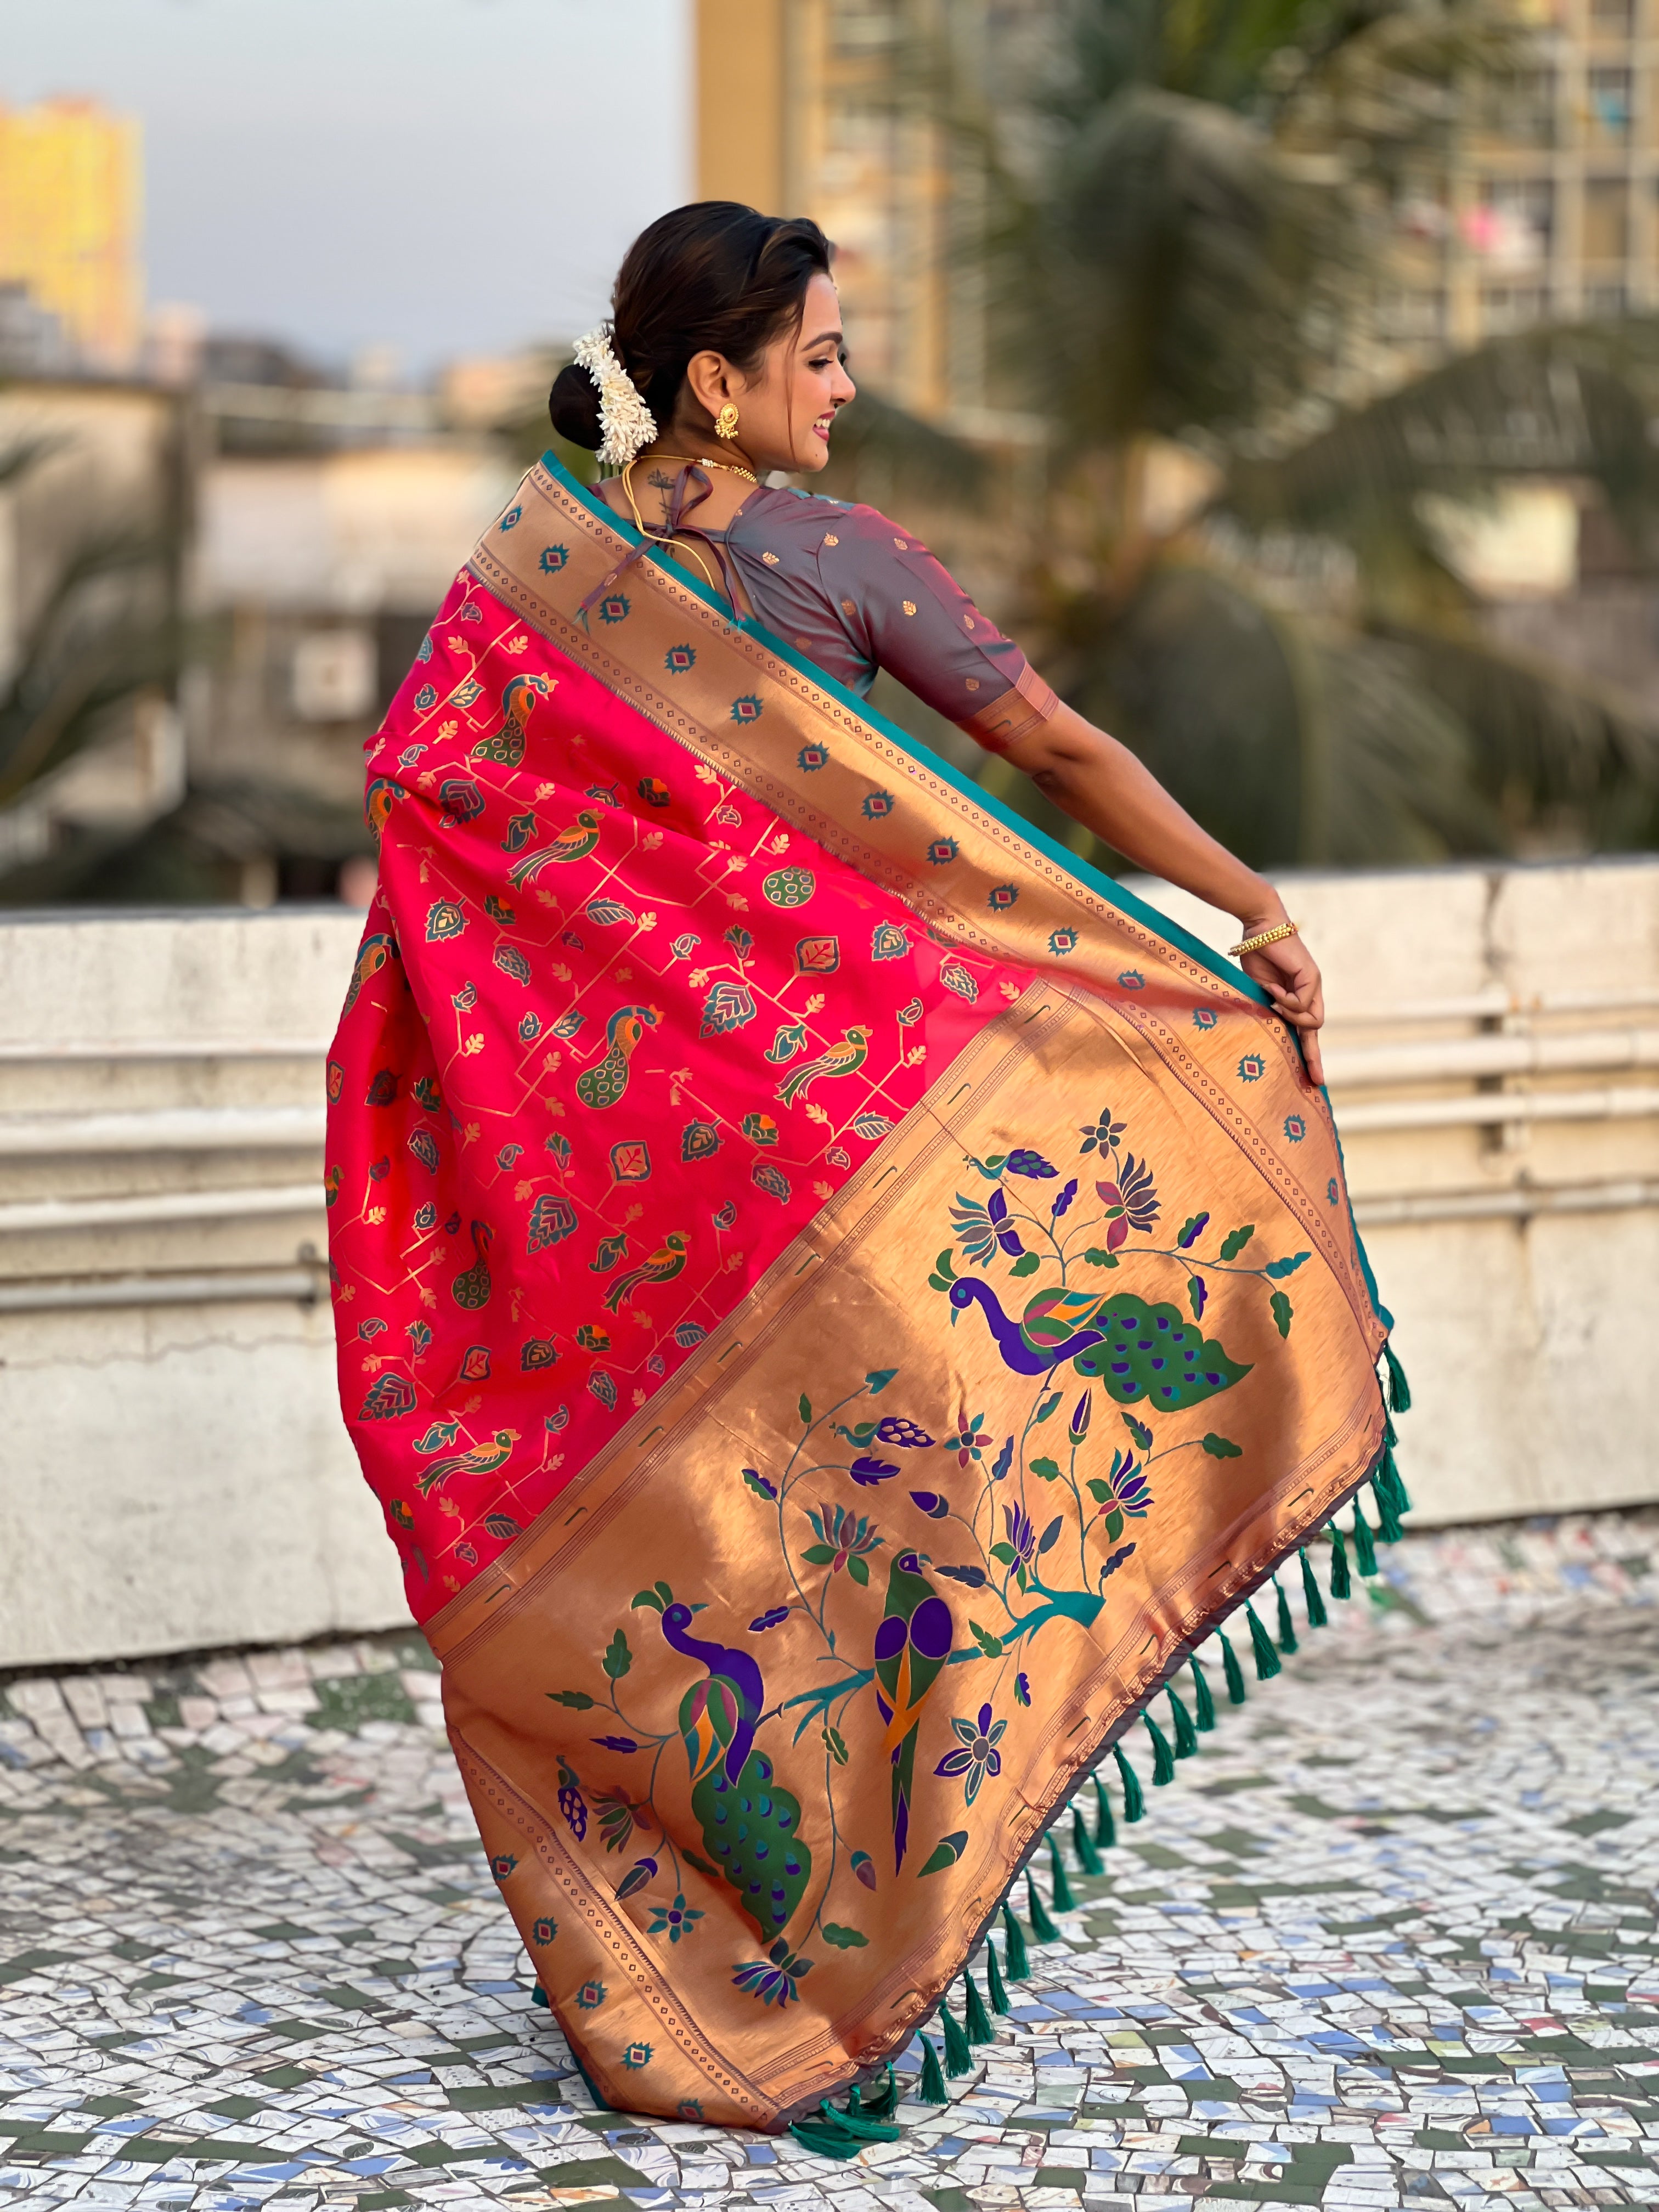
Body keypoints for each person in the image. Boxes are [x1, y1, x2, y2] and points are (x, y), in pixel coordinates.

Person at [325, 202, 1406, 2148]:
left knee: (707, 1576)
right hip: (840, 1170)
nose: (850, 385)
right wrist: (1244, 908)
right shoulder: (830, 553)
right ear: (718, 384)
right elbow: (1057, 751)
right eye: (818, 356)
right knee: (895, 1536)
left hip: (630, 1211)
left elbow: (427, 813)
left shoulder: (525, 588)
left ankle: (729, 1967)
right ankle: (861, 1945)